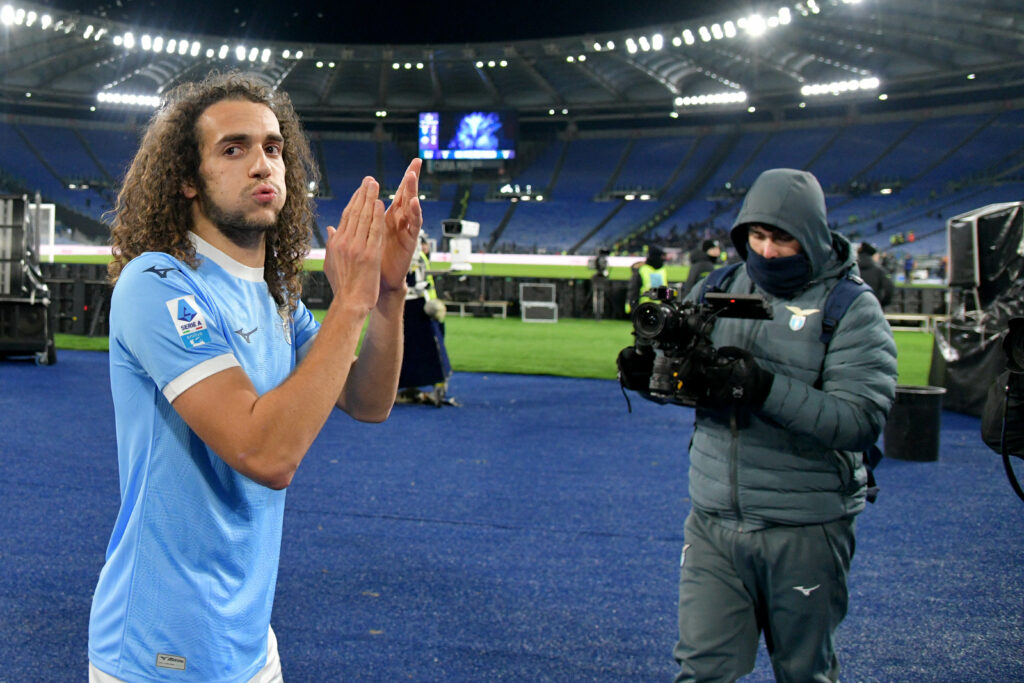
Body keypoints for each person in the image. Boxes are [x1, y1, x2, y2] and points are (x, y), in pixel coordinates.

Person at [87, 72, 423, 682]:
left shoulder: (279, 299)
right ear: (186, 179)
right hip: (161, 649)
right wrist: (349, 302)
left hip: (248, 643)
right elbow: (266, 452)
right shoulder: (157, 282)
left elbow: (369, 401)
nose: (263, 164)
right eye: (233, 148)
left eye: (273, 147)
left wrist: (387, 294)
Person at [671, 169, 898, 682]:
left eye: (781, 238)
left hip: (805, 525)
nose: (767, 251)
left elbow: (860, 420)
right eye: (757, 236)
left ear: (811, 236)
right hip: (713, 520)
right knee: (700, 672)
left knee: (803, 674)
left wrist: (763, 388)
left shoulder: (852, 308)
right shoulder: (718, 286)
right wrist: (657, 376)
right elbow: (691, 385)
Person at [625, 244, 668, 314]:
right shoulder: (642, 270)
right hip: (643, 309)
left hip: (660, 310)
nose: (663, 259)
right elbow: (634, 291)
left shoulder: (663, 271)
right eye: (662, 256)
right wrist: (633, 308)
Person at [857, 241, 895, 308]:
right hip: (874, 307)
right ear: (873, 255)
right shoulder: (879, 270)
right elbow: (889, 288)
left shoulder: (851, 269)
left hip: (855, 308)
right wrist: (883, 303)